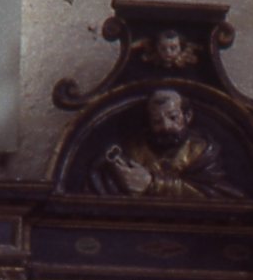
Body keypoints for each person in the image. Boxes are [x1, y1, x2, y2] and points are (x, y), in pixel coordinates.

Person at [97, 84, 245, 203]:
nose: (166, 126)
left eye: (173, 117)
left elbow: (218, 197)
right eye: (157, 121)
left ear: (187, 116)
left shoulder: (204, 154)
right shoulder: (133, 152)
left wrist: (153, 184)